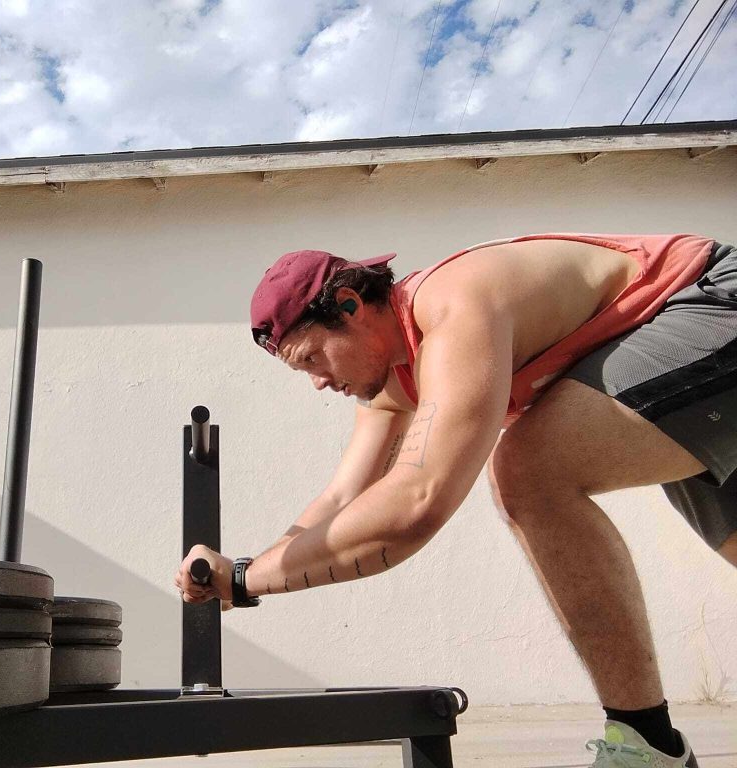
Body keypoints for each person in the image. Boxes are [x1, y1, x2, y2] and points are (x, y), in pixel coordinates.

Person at [176, 233, 737, 768]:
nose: (317, 382)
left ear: (349, 305)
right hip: (676, 345)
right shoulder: (393, 380)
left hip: (710, 302)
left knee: (530, 470)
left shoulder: (453, 307)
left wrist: (247, 580)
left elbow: (415, 503)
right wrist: (240, 568)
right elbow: (343, 498)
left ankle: (648, 745)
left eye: (311, 359)